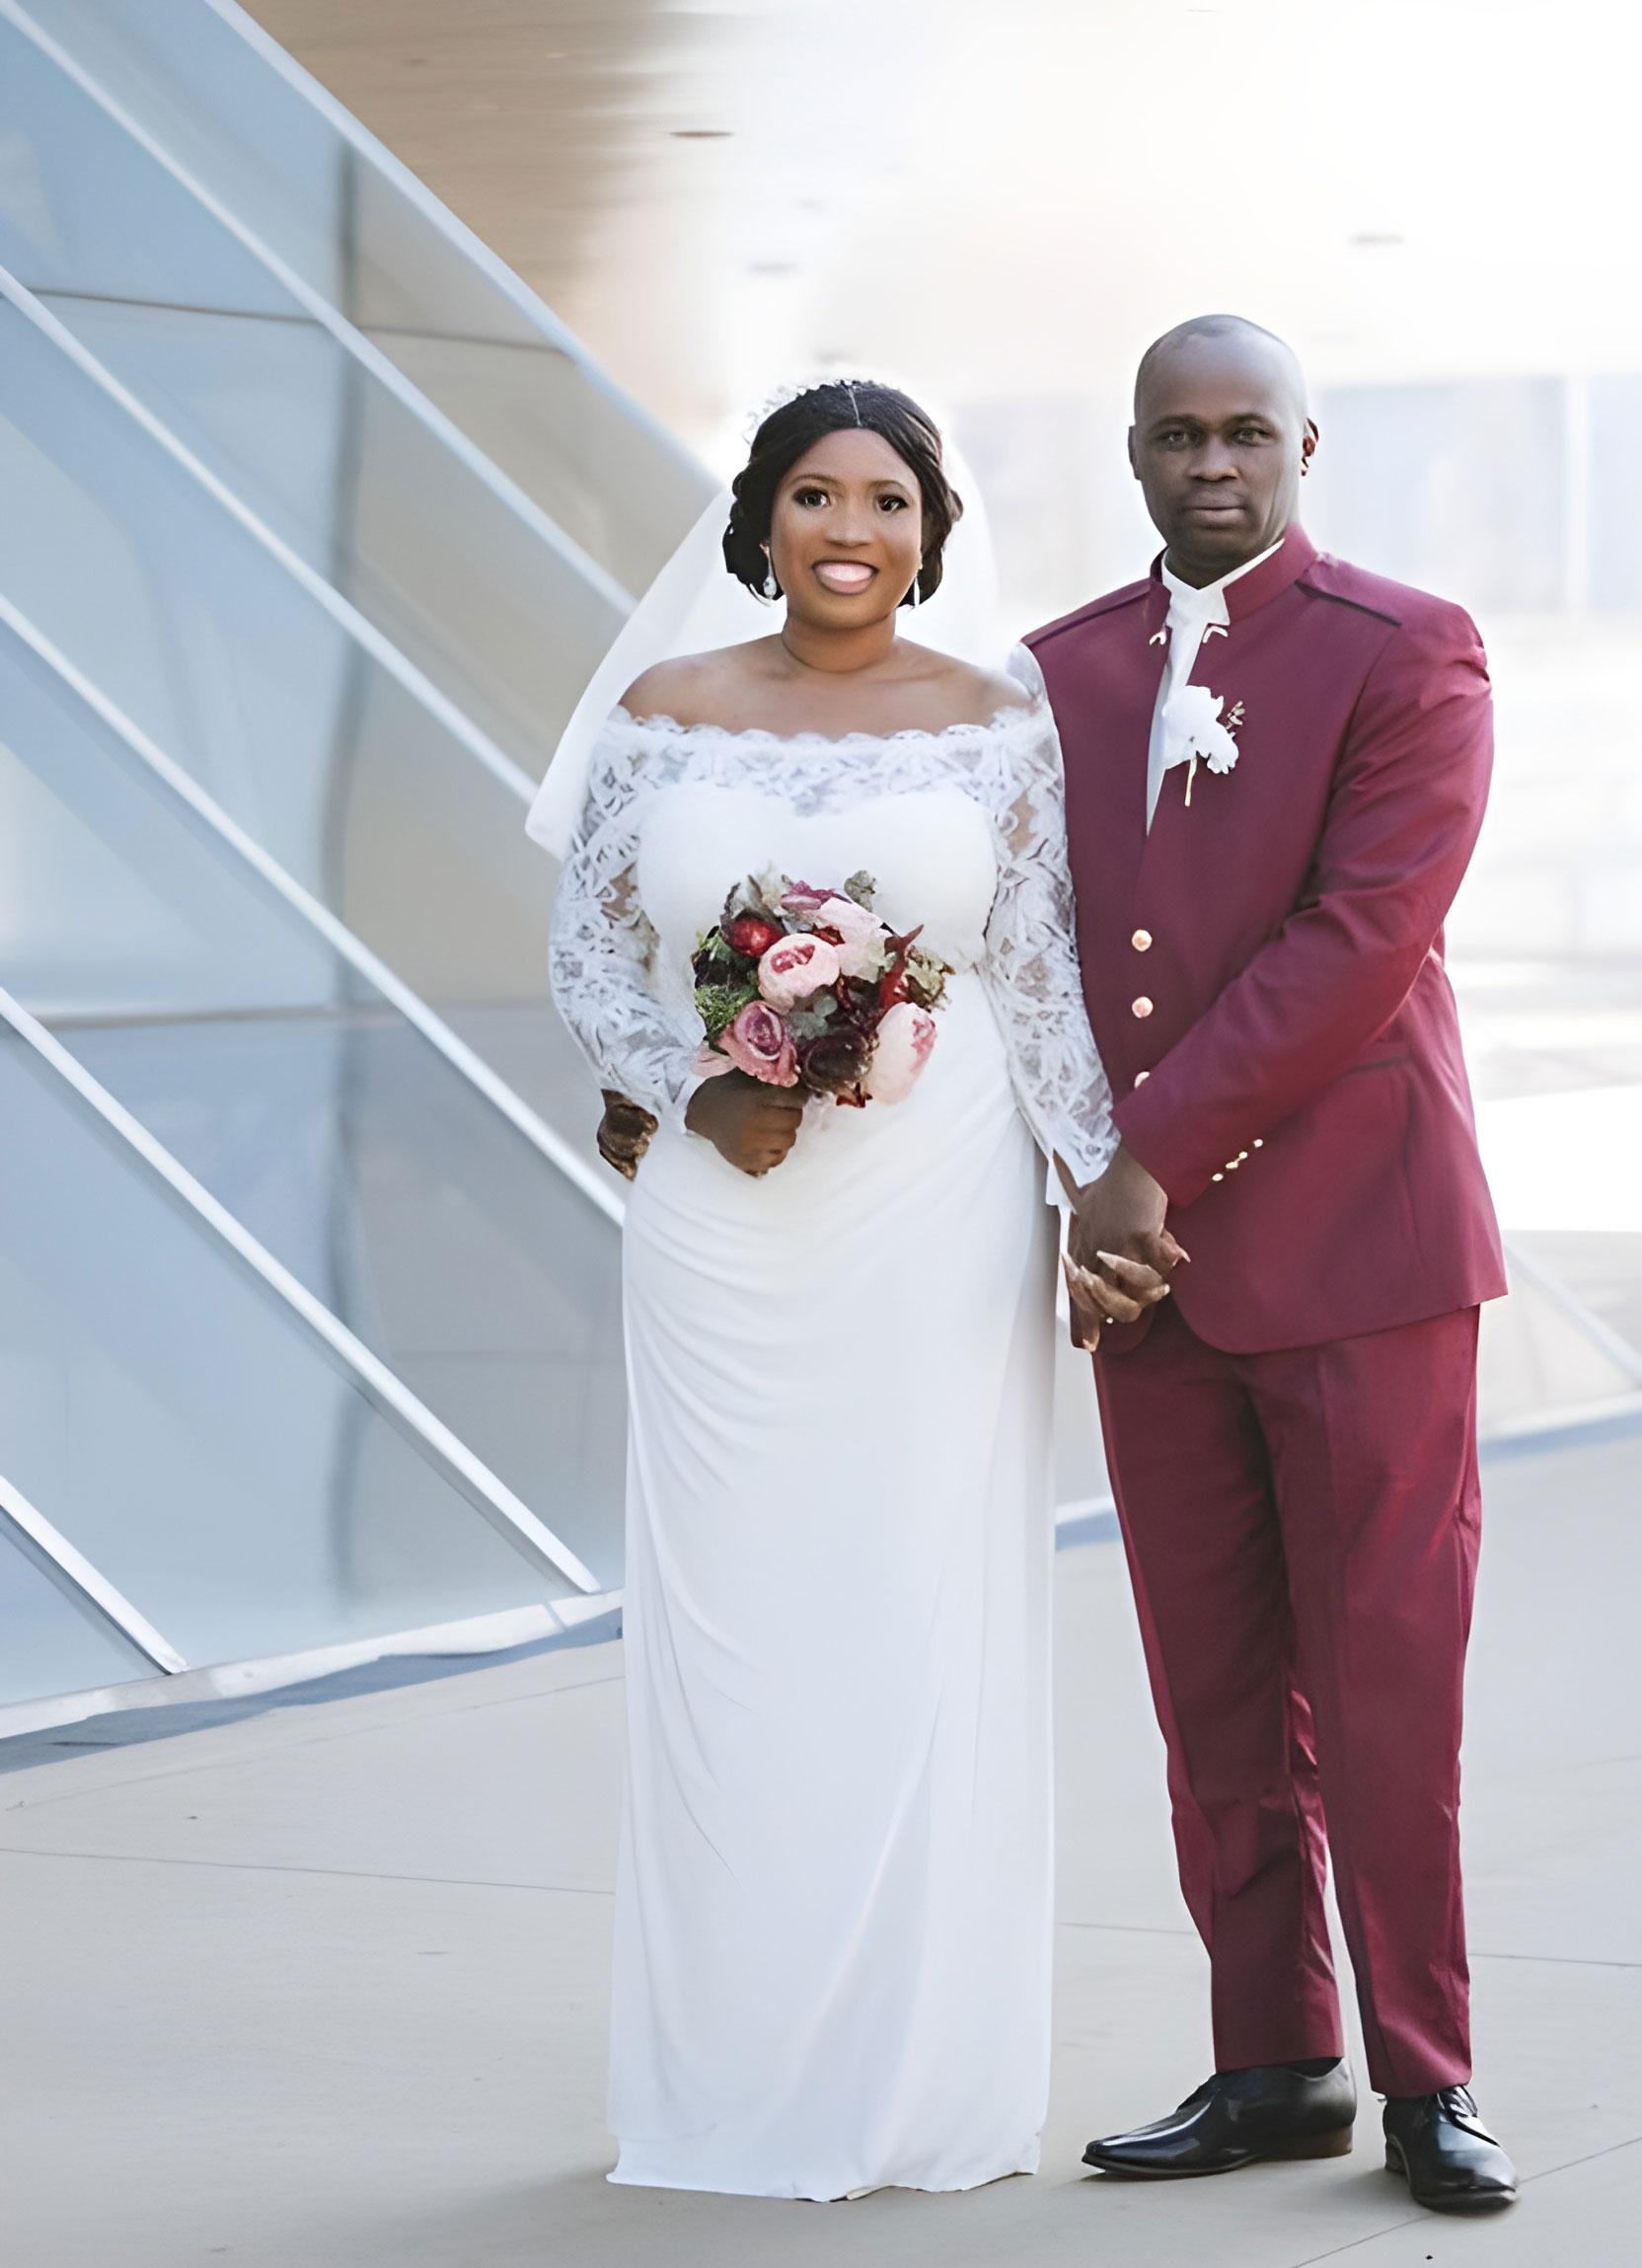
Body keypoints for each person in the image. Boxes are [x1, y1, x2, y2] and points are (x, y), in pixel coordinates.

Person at [530, 380, 1162, 2201]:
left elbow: (1036, 975)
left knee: (915, 1606)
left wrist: (1095, 1180)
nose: (852, 529)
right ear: (762, 517)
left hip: (935, 1209)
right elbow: (586, 951)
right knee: (732, 1628)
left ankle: (912, 2074)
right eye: (816, 493)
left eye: (888, 499)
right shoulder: (662, 713)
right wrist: (686, 1084)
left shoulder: (995, 716)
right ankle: (725, 2077)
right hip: (724, 1228)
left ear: (930, 529)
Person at [1033, 316, 1519, 2214]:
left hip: (1363, 1255)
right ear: (1134, 449)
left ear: (1304, 443)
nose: (1211, 463)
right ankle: (1273, 2059)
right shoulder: (1060, 672)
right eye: (1176, 434)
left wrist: (1140, 1163)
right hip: (1149, 1281)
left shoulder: (1412, 654)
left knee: (1388, 1683)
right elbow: (1035, 949)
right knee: (1214, 1692)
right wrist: (1087, 1182)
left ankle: (1427, 2080)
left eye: (1245, 431)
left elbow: (1358, 941)